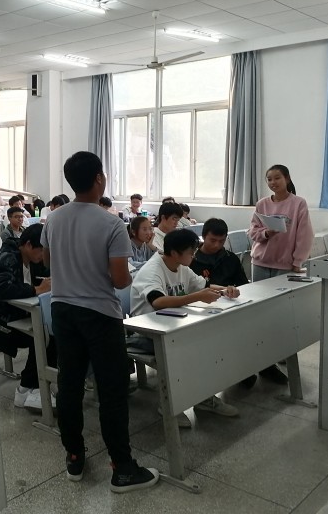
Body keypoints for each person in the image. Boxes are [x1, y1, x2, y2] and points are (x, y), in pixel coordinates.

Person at [41, 151, 159, 493]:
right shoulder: (111, 224)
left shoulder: (54, 219)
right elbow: (121, 280)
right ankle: (122, 468)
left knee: (70, 384)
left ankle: (74, 456)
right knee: (112, 390)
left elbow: (48, 262)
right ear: (98, 179)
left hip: (63, 310)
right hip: (99, 314)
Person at [130, 228, 241, 427]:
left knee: (210, 340)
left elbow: (204, 286)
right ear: (175, 253)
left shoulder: (181, 266)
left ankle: (203, 398)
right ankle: (168, 405)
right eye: (191, 252)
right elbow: (157, 301)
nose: (194, 256)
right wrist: (196, 297)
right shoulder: (152, 270)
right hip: (148, 333)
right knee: (189, 349)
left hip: (174, 326)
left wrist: (226, 290)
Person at [0, 225, 55, 410]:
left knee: (50, 333)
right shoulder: (8, 258)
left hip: (15, 317)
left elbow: (46, 276)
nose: (44, 255)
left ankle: (30, 389)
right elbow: (2, 289)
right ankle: (30, 388)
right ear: (28, 245)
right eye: (41, 250)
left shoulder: (33, 260)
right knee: (44, 337)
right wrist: (37, 289)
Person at [248, 164, 314, 385]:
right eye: (269, 179)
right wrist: (267, 232)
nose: (273, 182)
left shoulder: (298, 204)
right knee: (260, 312)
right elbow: (252, 231)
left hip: (285, 266)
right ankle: (263, 357)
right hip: (260, 262)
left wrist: (297, 261)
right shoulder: (262, 204)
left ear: (287, 178)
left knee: (282, 313)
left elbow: (304, 235)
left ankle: (282, 353)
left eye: (277, 178)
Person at [189, 218, 273, 387]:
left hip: (232, 305)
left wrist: (236, 291)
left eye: (221, 241)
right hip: (204, 310)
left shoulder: (230, 258)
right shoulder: (191, 261)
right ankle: (241, 371)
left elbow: (244, 285)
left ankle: (266, 365)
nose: (217, 245)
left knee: (262, 322)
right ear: (203, 237)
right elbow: (192, 290)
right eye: (213, 240)